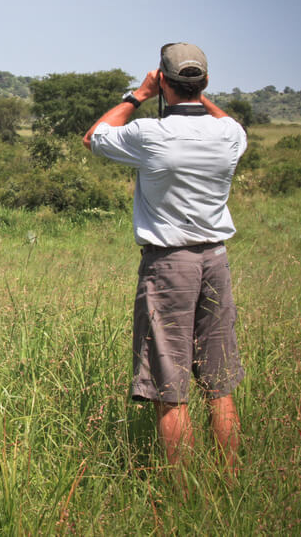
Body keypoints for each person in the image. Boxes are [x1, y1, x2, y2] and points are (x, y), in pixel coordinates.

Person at [83, 43, 247, 475]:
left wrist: (137, 94)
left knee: (168, 383)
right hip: (216, 260)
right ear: (205, 83)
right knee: (220, 381)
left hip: (169, 264)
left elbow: (94, 136)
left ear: (164, 83)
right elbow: (226, 119)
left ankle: (183, 489)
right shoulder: (229, 135)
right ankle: (229, 479)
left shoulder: (149, 134)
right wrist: (198, 94)